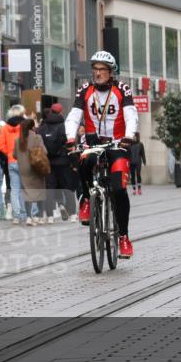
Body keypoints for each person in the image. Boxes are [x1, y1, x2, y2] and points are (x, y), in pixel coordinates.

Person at [64, 51, 137, 257]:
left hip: (117, 144)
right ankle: (87, 199)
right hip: (92, 143)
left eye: (102, 70)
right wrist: (70, 138)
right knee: (84, 161)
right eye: (95, 69)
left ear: (111, 72)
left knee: (119, 189)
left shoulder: (122, 89)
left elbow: (131, 116)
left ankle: (123, 237)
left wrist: (129, 136)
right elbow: (73, 117)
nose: (97, 73)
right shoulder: (85, 90)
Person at [38, 104, 75, 222]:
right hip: (63, 161)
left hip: (48, 161)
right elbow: (70, 144)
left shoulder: (42, 128)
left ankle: (50, 216)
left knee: (49, 188)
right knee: (67, 187)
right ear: (60, 112)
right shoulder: (64, 126)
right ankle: (73, 214)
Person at [12, 118, 47, 226]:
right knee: (39, 191)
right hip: (36, 168)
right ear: (32, 127)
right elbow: (44, 151)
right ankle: (40, 217)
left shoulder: (18, 140)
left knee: (27, 193)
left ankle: (28, 217)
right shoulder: (37, 137)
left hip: (23, 169)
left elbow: (14, 155)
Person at [0, 105, 27, 224]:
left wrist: (10, 153)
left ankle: (16, 216)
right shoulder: (25, 126)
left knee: (15, 189)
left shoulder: (5, 128)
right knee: (25, 189)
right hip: (24, 160)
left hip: (11, 161)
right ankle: (24, 214)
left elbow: (0, 145)